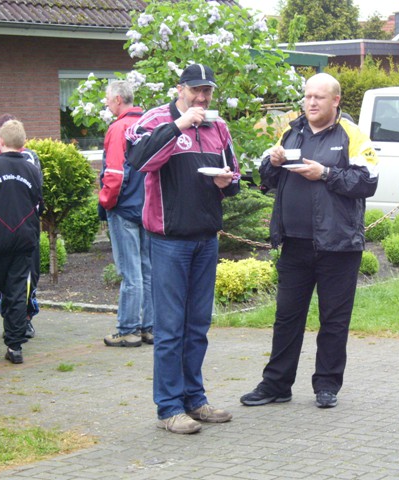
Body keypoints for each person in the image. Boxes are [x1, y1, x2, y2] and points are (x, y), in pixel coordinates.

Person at [240, 73, 379, 409]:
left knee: (334, 319)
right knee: (287, 317)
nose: (312, 103)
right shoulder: (292, 132)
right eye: (308, 96)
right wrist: (271, 163)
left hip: (338, 244)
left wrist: (326, 174)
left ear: (336, 101)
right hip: (295, 243)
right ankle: (276, 385)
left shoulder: (351, 134)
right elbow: (267, 180)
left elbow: (367, 181)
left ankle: (327, 385)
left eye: (319, 97)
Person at [126, 63, 240, 434]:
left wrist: (226, 182)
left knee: (197, 326)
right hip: (168, 240)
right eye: (196, 90)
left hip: (206, 238)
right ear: (180, 89)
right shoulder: (155, 120)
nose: (202, 97)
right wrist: (179, 125)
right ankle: (169, 408)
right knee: (170, 328)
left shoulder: (218, 127)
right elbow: (139, 160)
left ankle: (195, 399)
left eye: (207, 91)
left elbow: (235, 177)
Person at [0, 120, 43, 365]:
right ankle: (15, 347)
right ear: (23, 143)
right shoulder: (32, 170)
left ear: (0, 141)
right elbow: (38, 206)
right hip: (23, 243)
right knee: (16, 294)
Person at [99, 81, 153, 347]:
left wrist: (106, 202)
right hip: (148, 208)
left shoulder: (118, 128)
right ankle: (149, 328)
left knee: (130, 273)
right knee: (147, 270)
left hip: (124, 208)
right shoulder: (149, 125)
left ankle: (128, 330)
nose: (107, 103)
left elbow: (114, 173)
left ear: (118, 99)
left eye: (108, 99)